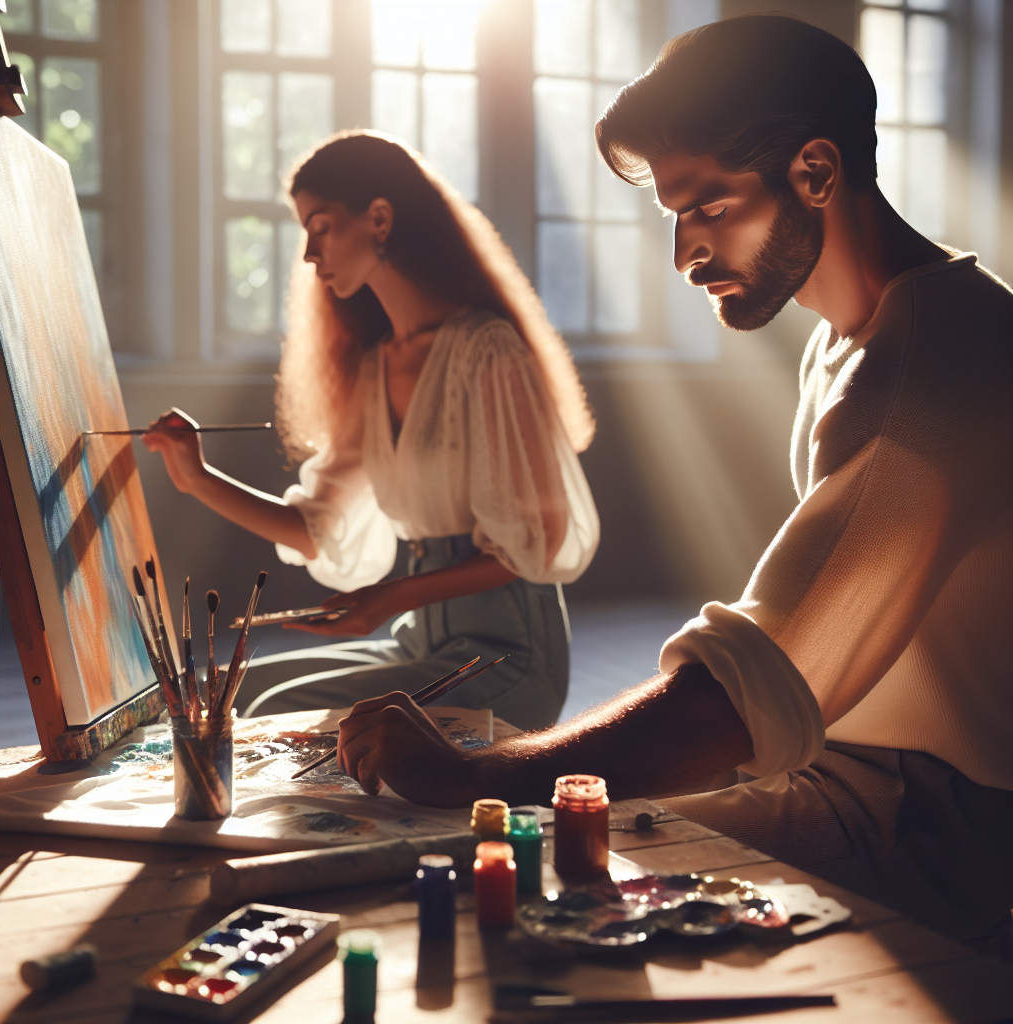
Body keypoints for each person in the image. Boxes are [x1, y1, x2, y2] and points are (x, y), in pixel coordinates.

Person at [331, 16, 1013, 957]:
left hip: (933, 824)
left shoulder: (933, 367)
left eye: (709, 207)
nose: (686, 254)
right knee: (515, 853)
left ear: (816, 171)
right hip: (842, 768)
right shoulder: (852, 340)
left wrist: (467, 772)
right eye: (676, 217)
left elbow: (741, 699)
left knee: (516, 873)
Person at [143, 131, 599, 730]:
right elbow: (314, 530)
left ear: (379, 218)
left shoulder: (487, 349)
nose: (308, 253)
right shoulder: (374, 366)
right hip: (422, 641)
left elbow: (536, 538)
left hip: (509, 656)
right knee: (236, 686)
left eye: (321, 226)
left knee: (274, 711)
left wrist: (390, 598)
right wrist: (196, 478)